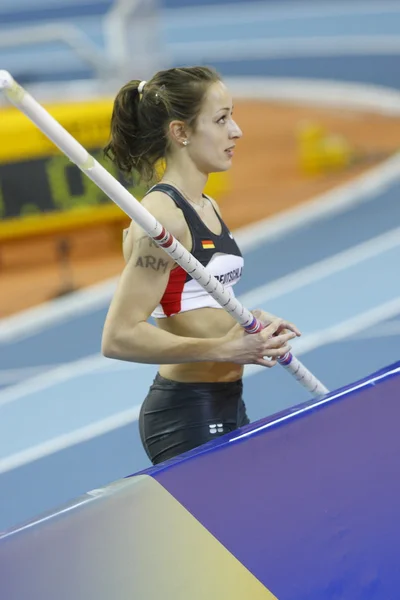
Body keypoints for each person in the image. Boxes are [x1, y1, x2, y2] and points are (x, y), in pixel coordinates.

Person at [101, 66, 301, 465]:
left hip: (227, 400)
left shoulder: (207, 206)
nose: (237, 131)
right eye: (221, 119)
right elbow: (119, 337)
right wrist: (224, 347)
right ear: (181, 132)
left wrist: (248, 323)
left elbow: (195, 300)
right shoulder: (161, 220)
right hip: (186, 415)